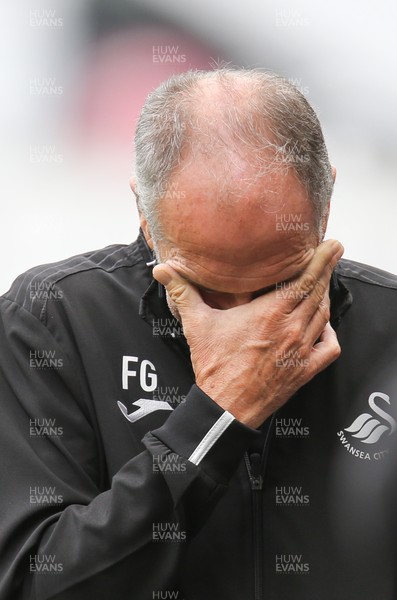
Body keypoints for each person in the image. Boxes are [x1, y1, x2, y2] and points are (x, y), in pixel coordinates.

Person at [0, 68, 396, 600]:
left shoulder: (389, 326)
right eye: (206, 288)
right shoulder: (53, 321)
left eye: (277, 285)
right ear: (145, 214)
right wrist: (216, 419)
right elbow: (36, 585)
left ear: (324, 208)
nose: (247, 326)